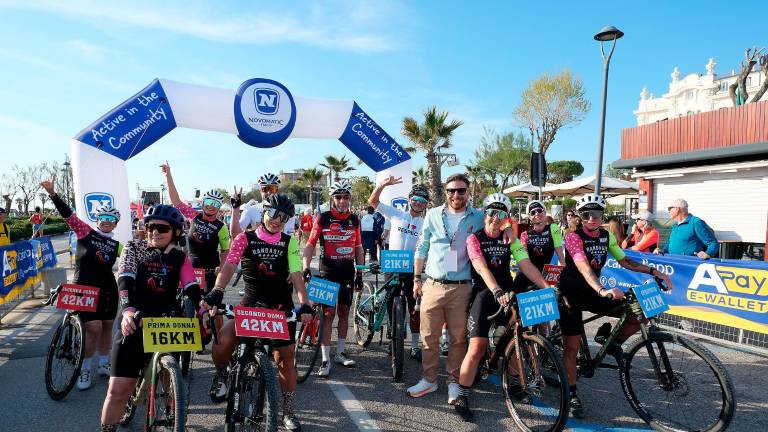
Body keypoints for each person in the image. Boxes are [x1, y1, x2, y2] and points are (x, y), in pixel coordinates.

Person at [558, 193, 672, 419]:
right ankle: (571, 393)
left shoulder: (606, 236)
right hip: (571, 292)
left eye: (597, 214)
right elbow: (583, 267)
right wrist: (602, 289)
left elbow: (625, 261)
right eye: (586, 214)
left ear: (603, 215)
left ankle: (612, 343)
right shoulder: (573, 237)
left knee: (637, 313)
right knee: (571, 347)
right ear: (580, 217)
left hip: (593, 290)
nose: (592, 218)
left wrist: (654, 271)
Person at [204, 194, 312, 432]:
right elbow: (230, 265)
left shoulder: (289, 241)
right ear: (263, 212)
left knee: (285, 360)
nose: (277, 220)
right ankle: (222, 375)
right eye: (273, 213)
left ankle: (288, 411)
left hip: (279, 308)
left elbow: (296, 276)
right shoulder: (244, 238)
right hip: (252, 304)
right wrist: (218, 290)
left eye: (283, 217)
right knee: (222, 343)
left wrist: (304, 303)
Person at [407, 174, 515, 403]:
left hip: (462, 287)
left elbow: (498, 222)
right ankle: (429, 379)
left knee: (458, 339)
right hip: (433, 284)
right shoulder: (433, 214)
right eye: (451, 190)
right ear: (446, 192)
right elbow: (422, 247)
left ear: (468, 192)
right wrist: (417, 278)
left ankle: (454, 382)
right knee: (429, 337)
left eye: (461, 190)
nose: (456, 195)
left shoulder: (477, 216)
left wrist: (509, 229)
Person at [99, 204, 202, 432]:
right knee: (118, 390)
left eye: (161, 228)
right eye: (150, 227)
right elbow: (124, 280)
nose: (154, 232)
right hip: (135, 320)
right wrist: (126, 311)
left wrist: (204, 309)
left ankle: (170, 415)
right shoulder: (134, 247)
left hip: (166, 323)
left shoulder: (179, 256)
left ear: (175, 231)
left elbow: (191, 286)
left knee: (169, 382)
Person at [454, 193, 550, 421]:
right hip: (486, 292)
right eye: (491, 212)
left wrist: (547, 288)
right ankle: (462, 393)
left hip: (508, 290)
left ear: (506, 218)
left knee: (517, 338)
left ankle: (516, 384)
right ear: (485, 213)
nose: (495, 218)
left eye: (501, 214)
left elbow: (526, 265)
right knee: (477, 347)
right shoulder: (474, 238)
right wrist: (496, 291)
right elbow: (480, 267)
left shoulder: (511, 239)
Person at [41, 179, 123, 391]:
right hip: (83, 288)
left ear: (116, 223)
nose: (106, 221)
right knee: (93, 329)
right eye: (103, 217)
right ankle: (84, 367)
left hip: (107, 290)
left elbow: (131, 264)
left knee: (107, 327)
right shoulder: (86, 232)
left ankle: (103, 363)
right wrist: (53, 193)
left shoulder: (117, 244)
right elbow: (68, 215)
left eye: (111, 219)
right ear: (97, 220)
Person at [303, 178, 364, 377]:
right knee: (328, 315)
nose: (342, 201)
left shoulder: (355, 219)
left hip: (347, 271)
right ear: (333, 198)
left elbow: (358, 247)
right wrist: (305, 267)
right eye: (338, 197)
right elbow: (311, 244)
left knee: (345, 313)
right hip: (326, 272)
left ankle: (340, 352)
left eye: (346, 197)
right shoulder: (323, 218)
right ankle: (325, 359)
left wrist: (360, 273)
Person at [368, 177, 430, 360]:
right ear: (409, 200)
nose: (418, 204)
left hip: (412, 268)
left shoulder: (426, 222)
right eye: (415, 200)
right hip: (392, 263)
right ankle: (393, 341)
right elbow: (373, 202)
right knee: (390, 304)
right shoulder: (397, 214)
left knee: (414, 308)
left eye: (422, 201)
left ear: (426, 204)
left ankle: (415, 346)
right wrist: (382, 185)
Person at [161, 162, 230, 293]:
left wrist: (221, 267)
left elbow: (225, 251)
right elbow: (176, 201)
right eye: (209, 202)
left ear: (219, 207)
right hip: (191, 267)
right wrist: (168, 175)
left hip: (211, 270)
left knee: (208, 306)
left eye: (215, 203)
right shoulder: (194, 216)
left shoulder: (222, 227)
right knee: (188, 301)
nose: (211, 206)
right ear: (203, 202)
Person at [514, 200, 565, 292]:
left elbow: (560, 256)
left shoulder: (553, 228)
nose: (536, 214)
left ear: (545, 212)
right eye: (533, 212)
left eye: (539, 210)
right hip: (529, 273)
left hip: (548, 273)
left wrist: (563, 274)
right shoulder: (525, 234)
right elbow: (525, 261)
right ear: (529, 217)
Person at [232, 173, 296, 236]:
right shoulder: (251, 210)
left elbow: (288, 237)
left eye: (272, 189)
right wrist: (235, 209)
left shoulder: (287, 211)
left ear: (277, 191)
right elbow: (235, 234)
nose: (268, 192)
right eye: (265, 189)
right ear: (260, 191)